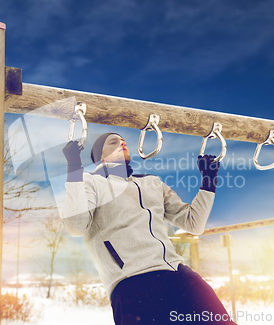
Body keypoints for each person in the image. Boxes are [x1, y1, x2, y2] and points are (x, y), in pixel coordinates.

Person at [61, 133, 236, 325]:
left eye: (123, 141)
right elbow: (76, 226)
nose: (122, 143)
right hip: (132, 283)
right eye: (113, 142)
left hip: (177, 274)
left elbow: (193, 223)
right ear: (100, 157)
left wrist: (209, 180)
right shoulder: (90, 182)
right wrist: (73, 169)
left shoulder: (152, 183)